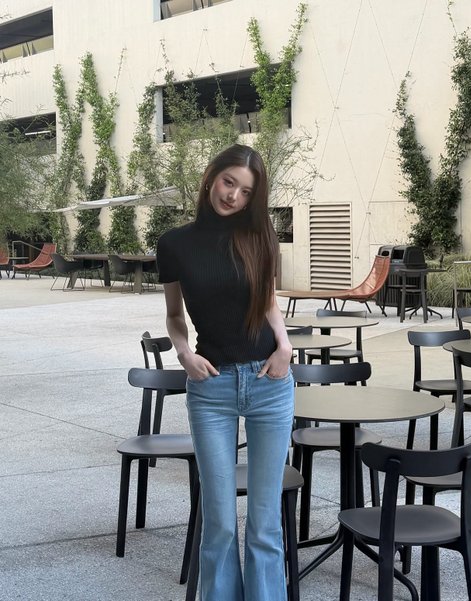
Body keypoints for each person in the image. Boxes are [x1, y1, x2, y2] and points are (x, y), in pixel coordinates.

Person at [156, 143, 294, 601]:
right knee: (218, 523)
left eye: (245, 191)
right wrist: (183, 354)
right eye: (228, 182)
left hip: (269, 383)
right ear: (212, 178)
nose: (233, 195)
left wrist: (285, 346)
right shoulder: (174, 243)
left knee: (265, 523)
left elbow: (268, 300)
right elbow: (174, 314)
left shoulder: (259, 235)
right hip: (211, 387)